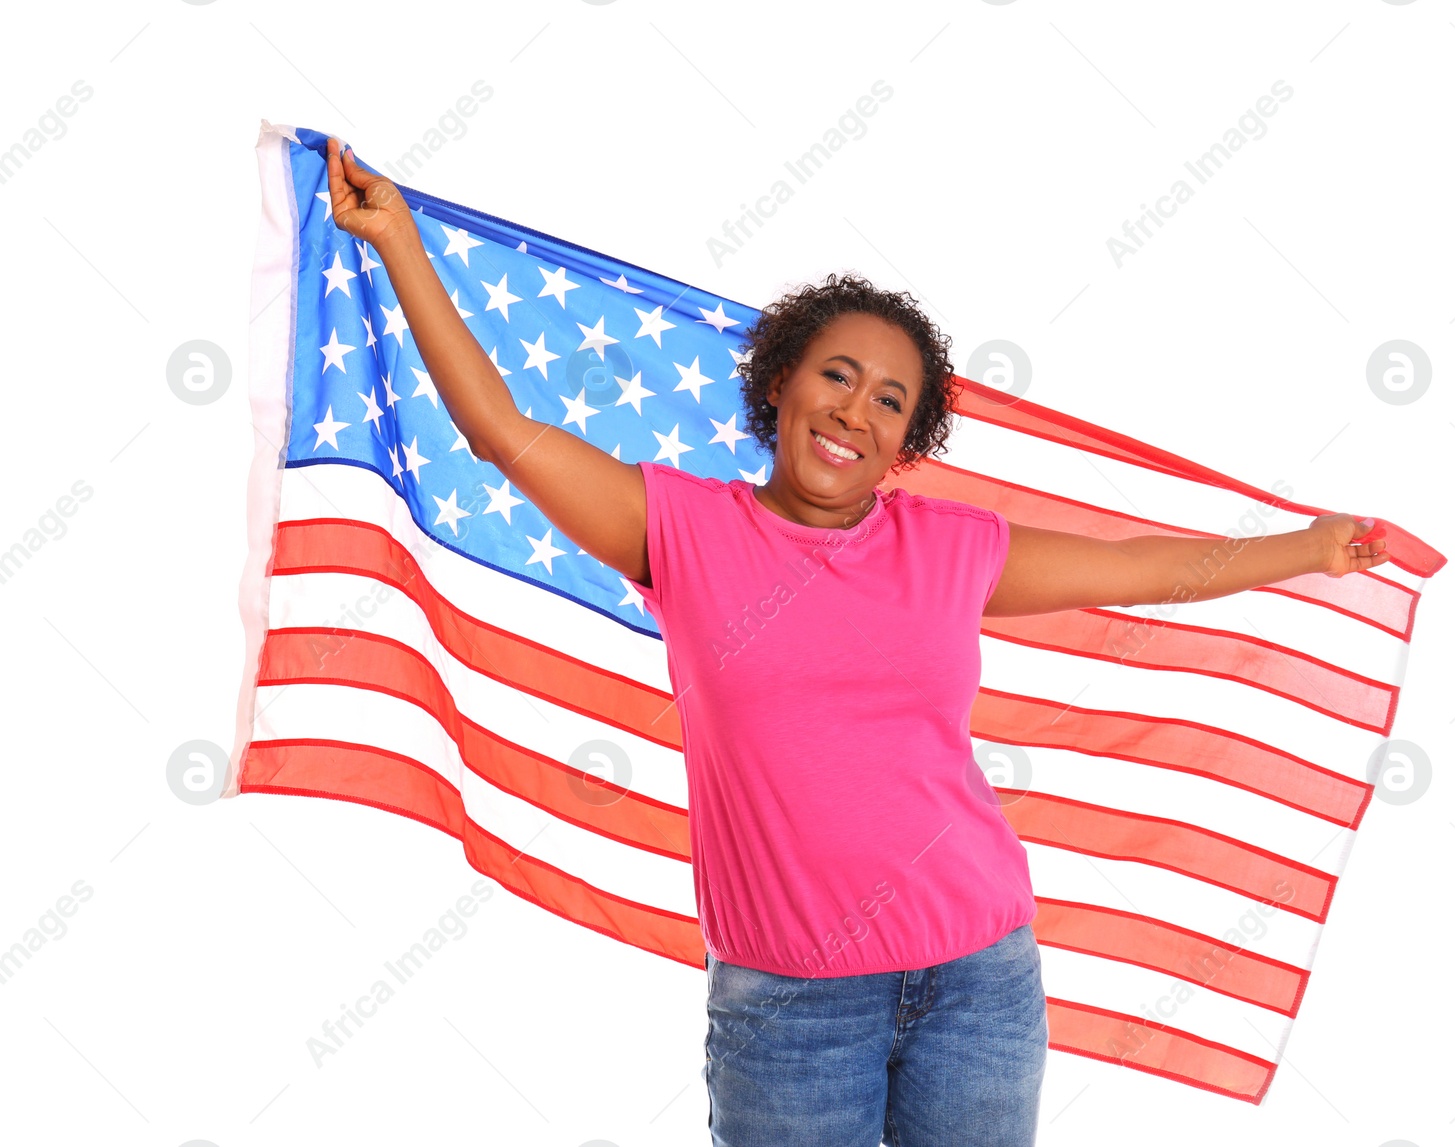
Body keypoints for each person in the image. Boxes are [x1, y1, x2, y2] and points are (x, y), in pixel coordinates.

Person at [323, 135, 1388, 1146]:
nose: (855, 412)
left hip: (978, 973)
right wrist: (399, 242)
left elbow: (1145, 571)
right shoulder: (684, 532)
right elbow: (503, 434)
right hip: (790, 1004)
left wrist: (1306, 547)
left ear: (908, 439)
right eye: (836, 375)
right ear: (781, 379)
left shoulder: (949, 548)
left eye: (891, 400)